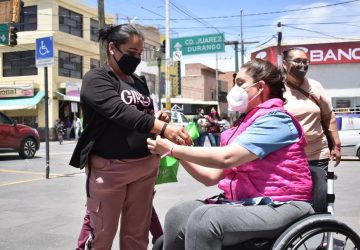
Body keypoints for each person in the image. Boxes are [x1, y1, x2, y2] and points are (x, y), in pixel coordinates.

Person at [147, 59, 313, 250]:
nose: (235, 89)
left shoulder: (277, 120)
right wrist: (178, 152)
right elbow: (210, 177)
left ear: (260, 87)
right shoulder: (244, 125)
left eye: (240, 83)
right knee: (179, 213)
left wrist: (172, 149)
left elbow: (226, 158)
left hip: (284, 204)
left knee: (206, 220)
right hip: (249, 202)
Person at [69, 24, 192, 250]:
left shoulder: (138, 81)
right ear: (112, 48)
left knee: (136, 237)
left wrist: (156, 118)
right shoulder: (96, 79)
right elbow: (120, 112)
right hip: (110, 170)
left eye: (139, 54)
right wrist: (162, 127)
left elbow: (140, 116)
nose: (135, 59)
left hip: (145, 168)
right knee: (101, 237)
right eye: (131, 52)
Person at [282, 47, 341, 169]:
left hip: (317, 156)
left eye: (305, 61)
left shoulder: (315, 86)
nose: (302, 65)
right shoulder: (277, 90)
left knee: (319, 189)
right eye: (297, 61)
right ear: (284, 64)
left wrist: (336, 146)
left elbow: (329, 117)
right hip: (287, 158)